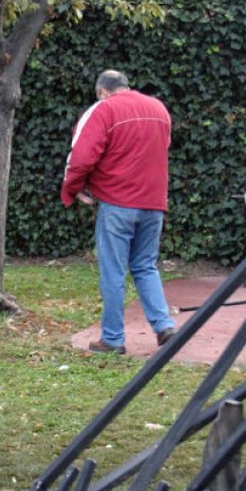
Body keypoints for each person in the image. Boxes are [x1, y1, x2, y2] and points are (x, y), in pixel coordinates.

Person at [61, 69, 176, 354]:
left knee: (113, 270)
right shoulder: (158, 108)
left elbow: (82, 156)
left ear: (103, 92)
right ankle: (164, 326)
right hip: (153, 202)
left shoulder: (104, 109)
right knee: (145, 265)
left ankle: (113, 338)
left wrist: (72, 188)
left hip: (118, 203)